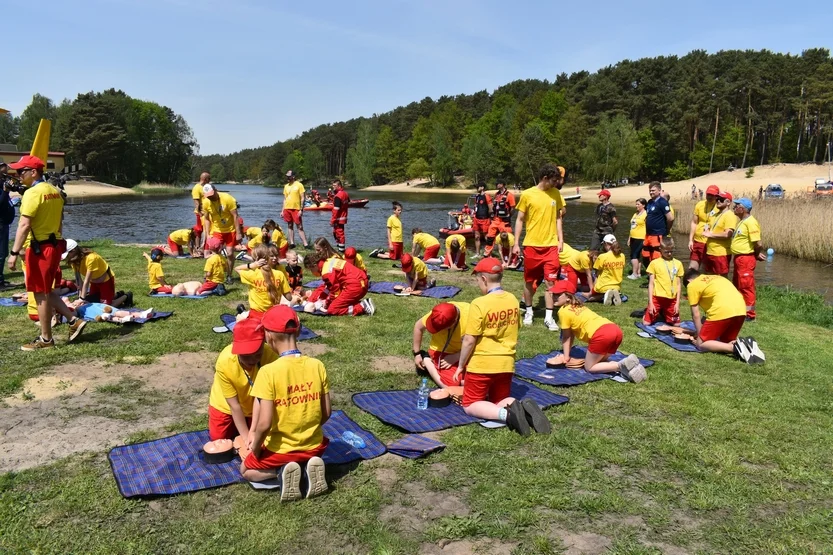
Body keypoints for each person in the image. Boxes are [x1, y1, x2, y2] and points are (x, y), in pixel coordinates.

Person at [241, 305, 330, 500]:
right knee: (306, 454)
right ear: (298, 331)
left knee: (246, 470)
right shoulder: (317, 365)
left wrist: (255, 448)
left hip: (281, 450)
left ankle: (281, 472)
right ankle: (307, 467)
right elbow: (327, 413)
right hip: (314, 446)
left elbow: (264, 423)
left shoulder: (268, 372)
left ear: (269, 337)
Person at [455, 258, 548, 435]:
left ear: (483, 279)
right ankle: (526, 411)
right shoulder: (512, 299)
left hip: (482, 365)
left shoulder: (479, 303)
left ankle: (508, 416)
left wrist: (460, 366)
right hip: (506, 364)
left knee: (470, 404)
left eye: (477, 281)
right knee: (500, 398)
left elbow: (469, 340)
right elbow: (516, 325)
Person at [6, 155, 86, 350]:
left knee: (40, 293)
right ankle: (72, 319)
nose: (17, 175)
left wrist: (14, 252)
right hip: (55, 245)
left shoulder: (32, 194)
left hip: (40, 248)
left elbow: (24, 224)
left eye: (21, 171)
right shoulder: (55, 192)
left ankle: (46, 339)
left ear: (33, 172)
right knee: (47, 290)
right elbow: (60, 222)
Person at [547, 281, 647, 382]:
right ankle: (631, 369)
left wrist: (566, 357)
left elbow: (567, 337)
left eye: (558, 295)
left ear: (568, 297)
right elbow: (571, 334)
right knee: (600, 362)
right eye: (553, 294)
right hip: (615, 330)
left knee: (589, 367)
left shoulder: (563, 311)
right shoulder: (579, 305)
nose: (554, 297)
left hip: (602, 335)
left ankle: (619, 365)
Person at [513, 164, 566, 331]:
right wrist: (516, 243)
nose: (556, 184)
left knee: (551, 282)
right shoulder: (528, 194)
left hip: (551, 246)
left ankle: (549, 318)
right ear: (545, 178)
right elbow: (520, 220)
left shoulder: (556, 193)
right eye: (554, 180)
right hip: (532, 245)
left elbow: (558, 218)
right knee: (529, 282)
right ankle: (528, 312)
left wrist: (560, 239)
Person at [208, 318, 277, 441]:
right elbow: (234, 405)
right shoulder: (225, 362)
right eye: (245, 355)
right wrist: (246, 439)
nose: (252, 360)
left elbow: (266, 396)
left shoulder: (271, 356)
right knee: (219, 439)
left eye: (257, 354)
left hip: (257, 405)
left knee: (265, 437)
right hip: (226, 406)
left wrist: (253, 431)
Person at [683, 269, 758, 358]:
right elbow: (709, 312)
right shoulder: (717, 277)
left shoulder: (692, 285)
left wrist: (699, 335)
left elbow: (695, 314)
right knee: (723, 341)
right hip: (741, 310)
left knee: (700, 344)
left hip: (722, 311)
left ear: (689, 281)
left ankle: (734, 348)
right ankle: (745, 345)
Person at [412, 301, 470, 387]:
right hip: (441, 351)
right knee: (451, 385)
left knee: (478, 379)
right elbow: (418, 327)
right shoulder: (438, 313)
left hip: (467, 351)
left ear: (453, 323)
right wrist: (417, 354)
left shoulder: (471, 315)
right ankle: (427, 360)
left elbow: (478, 343)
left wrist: (456, 356)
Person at [303, 252, 375, 316]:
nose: (312, 272)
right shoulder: (330, 260)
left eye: (311, 270)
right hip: (362, 281)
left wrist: (326, 303)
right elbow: (329, 287)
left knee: (333, 309)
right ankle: (362, 304)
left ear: (314, 265)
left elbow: (335, 292)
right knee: (340, 302)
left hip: (355, 286)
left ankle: (362, 307)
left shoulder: (326, 272)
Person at [235, 244, 293, 319]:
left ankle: (243, 313)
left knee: (239, 319)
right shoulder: (279, 274)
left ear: (257, 259)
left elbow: (237, 269)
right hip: (273, 315)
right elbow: (289, 298)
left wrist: (252, 265)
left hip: (256, 315)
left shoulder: (253, 275)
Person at [730, 198, 766, 320]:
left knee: (746, 286)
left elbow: (758, 243)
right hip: (739, 258)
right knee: (738, 285)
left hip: (746, 258)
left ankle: (750, 315)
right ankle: (740, 310)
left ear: (744, 208)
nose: (734, 207)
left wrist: (756, 254)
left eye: (737, 205)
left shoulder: (751, 222)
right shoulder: (741, 221)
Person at [201, 183, 242, 279]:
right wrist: (207, 234)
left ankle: (229, 275)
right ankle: (212, 274)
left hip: (230, 230)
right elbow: (206, 219)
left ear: (215, 190)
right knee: (213, 253)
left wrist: (238, 233)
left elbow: (235, 216)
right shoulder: (206, 202)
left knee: (230, 253)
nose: (210, 198)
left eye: (211, 195)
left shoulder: (228, 198)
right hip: (216, 230)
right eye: (208, 196)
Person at [643, 237, 684, 325]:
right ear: (660, 249)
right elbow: (651, 284)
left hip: (671, 298)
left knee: (677, 325)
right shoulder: (654, 263)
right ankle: (651, 312)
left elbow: (678, 284)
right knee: (646, 323)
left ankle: (663, 313)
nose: (669, 254)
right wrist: (651, 302)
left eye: (671, 251)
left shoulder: (678, 263)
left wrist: (677, 303)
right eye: (666, 252)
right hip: (657, 297)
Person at [703, 191, 738, 277]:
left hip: (721, 253)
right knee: (709, 277)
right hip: (710, 251)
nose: (718, 201)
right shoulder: (716, 214)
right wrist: (707, 228)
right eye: (717, 199)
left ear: (728, 202)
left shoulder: (729, 215)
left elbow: (727, 234)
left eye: (721, 199)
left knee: (721, 278)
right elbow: (712, 227)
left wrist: (710, 234)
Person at [687, 185, 720, 271]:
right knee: (692, 268)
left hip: (710, 243)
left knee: (708, 269)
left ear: (717, 196)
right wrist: (691, 240)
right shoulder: (700, 204)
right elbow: (694, 222)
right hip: (697, 241)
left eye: (712, 195)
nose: (709, 196)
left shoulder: (719, 207)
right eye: (708, 194)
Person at [641, 181, 674, 265]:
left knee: (657, 256)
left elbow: (670, 218)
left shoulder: (662, 202)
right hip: (648, 234)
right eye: (650, 190)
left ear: (659, 191)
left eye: (653, 190)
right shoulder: (650, 202)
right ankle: (650, 274)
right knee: (646, 255)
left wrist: (667, 229)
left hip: (658, 234)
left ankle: (658, 275)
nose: (651, 192)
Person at [589, 235, 625, 305]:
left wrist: (593, 290)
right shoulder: (622, 256)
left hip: (603, 286)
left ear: (605, 243)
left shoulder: (602, 257)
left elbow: (596, 274)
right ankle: (614, 295)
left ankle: (604, 296)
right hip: (616, 287)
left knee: (588, 297)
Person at [485, 180, 516, 255]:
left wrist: (508, 216)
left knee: (506, 237)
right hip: (496, 219)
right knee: (490, 237)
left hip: (504, 220)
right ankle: (487, 254)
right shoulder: (496, 194)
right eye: (496, 184)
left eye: (499, 184)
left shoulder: (509, 195)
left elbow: (513, 208)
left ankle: (509, 255)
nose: (497, 185)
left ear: (503, 184)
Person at [282, 170, 308, 249]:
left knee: (299, 227)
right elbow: (284, 199)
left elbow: (303, 198)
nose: (287, 178)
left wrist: (301, 209)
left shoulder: (299, 185)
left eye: (289, 176)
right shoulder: (286, 186)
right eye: (287, 176)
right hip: (287, 208)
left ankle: (305, 244)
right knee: (290, 225)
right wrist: (282, 210)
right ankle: (292, 243)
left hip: (296, 208)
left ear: (293, 176)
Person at [0, 162, 15, 287]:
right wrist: (5, 192)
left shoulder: (2, 182)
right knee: (1, 253)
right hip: (0, 224)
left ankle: (1, 278)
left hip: (4, 223)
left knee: (3, 253)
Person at [627, 198, 647, 279]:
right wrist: (629, 238)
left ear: (643, 205)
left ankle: (634, 273)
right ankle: (638, 273)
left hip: (640, 237)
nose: (636, 206)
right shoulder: (635, 214)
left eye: (638, 204)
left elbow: (648, 226)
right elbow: (632, 227)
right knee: (637, 256)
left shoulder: (646, 214)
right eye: (636, 204)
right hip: (633, 237)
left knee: (634, 255)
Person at [471, 183, 492, 257]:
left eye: (478, 187)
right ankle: (477, 253)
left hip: (485, 219)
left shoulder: (487, 196)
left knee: (486, 237)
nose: (477, 188)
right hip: (477, 219)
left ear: (482, 187)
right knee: (476, 237)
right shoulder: (477, 196)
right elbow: (476, 206)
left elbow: (490, 208)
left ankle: (489, 254)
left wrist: (488, 216)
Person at [191, 172, 210, 248]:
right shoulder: (197, 188)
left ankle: (206, 245)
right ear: (205, 179)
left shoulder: (206, 187)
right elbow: (196, 202)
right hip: (201, 213)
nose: (210, 181)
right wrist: (200, 212)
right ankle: (198, 246)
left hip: (207, 212)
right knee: (199, 229)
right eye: (209, 179)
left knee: (207, 229)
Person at [330, 179, 349, 253]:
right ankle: (340, 248)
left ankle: (341, 250)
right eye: (333, 185)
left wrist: (332, 220)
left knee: (339, 234)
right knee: (337, 233)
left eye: (334, 185)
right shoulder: (345, 194)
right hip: (343, 217)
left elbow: (336, 210)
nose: (333, 187)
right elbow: (347, 202)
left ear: (339, 186)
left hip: (338, 218)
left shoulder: (338, 196)